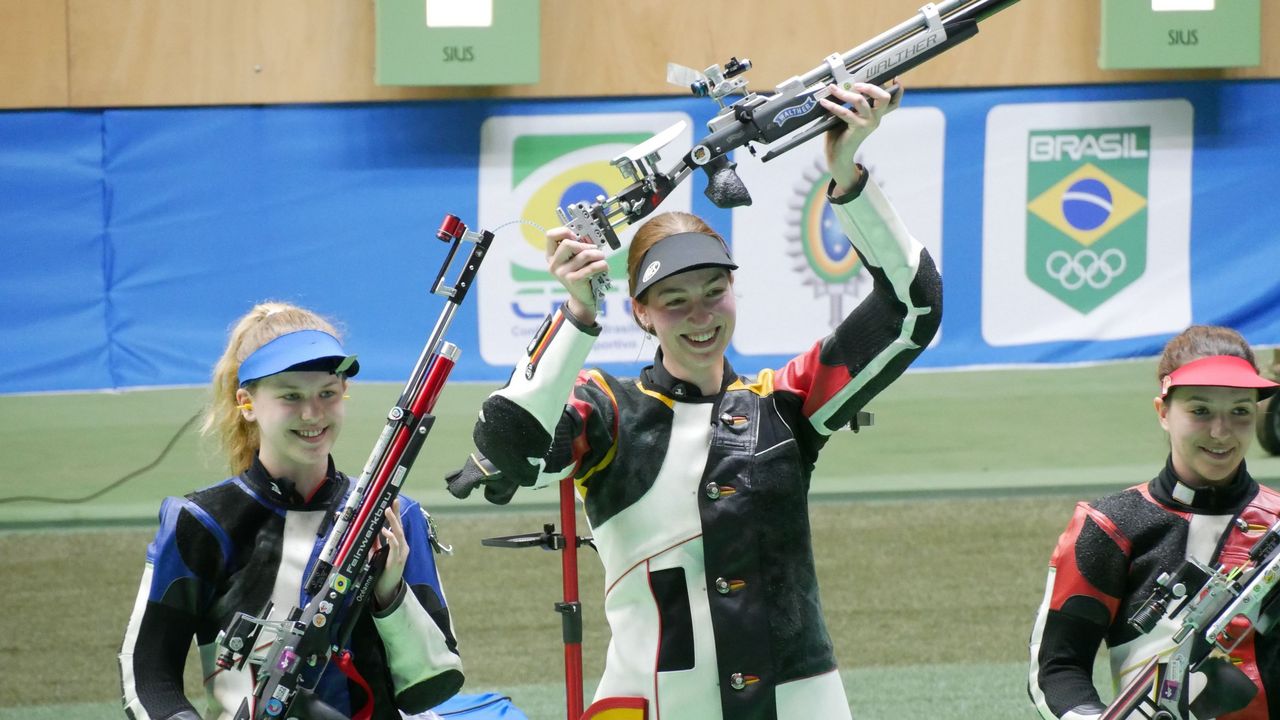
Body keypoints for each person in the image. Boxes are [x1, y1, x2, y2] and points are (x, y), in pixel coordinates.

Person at [452, 82, 941, 718]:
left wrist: (846, 173)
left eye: (715, 290)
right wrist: (576, 315)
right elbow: (509, 448)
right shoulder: (605, 411)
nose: (700, 314)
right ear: (642, 314)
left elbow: (913, 310)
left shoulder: (784, 404)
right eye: (675, 300)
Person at [119, 301, 464, 720]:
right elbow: (149, 677)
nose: (312, 413)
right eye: (290, 396)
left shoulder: (395, 515)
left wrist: (389, 596)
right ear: (246, 403)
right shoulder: (202, 521)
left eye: (327, 394)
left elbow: (430, 687)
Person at [1028, 325, 1280, 720]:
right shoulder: (1112, 525)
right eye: (1200, 411)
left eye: (1240, 412)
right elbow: (1058, 669)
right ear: (1163, 412)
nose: (1221, 432)